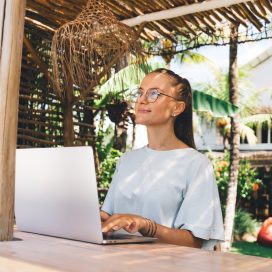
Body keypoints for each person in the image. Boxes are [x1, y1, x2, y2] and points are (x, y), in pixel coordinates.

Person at [100, 68, 224, 250]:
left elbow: (195, 241)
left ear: (177, 108)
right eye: (140, 92)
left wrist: (145, 225)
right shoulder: (127, 160)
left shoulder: (196, 164)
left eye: (154, 94)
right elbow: (107, 216)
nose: (141, 100)